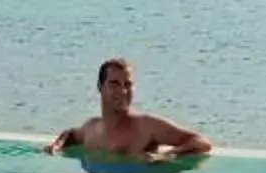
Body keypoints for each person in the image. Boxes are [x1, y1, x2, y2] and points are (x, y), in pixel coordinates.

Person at [46, 57, 215, 161]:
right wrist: (56, 146)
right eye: (115, 84)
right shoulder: (91, 128)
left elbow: (201, 142)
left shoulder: (146, 126)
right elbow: (71, 134)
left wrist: (168, 154)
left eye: (127, 85)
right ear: (100, 87)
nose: (123, 91)